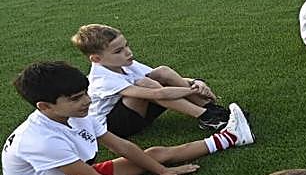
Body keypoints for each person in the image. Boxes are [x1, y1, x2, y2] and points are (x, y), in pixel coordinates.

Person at [1, 62, 252, 175]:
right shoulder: (40, 140)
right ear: (45, 107)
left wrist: (159, 170)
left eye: (86, 93)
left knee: (153, 154)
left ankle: (230, 137)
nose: (88, 101)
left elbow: (122, 146)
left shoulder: (76, 115)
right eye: (77, 98)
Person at [72, 23, 232, 136]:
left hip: (137, 110)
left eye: (127, 45)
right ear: (96, 59)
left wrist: (196, 82)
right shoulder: (102, 79)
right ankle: (206, 116)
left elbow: (164, 81)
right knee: (145, 87)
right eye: (119, 51)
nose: (128, 52)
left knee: (162, 72)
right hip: (113, 127)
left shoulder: (127, 63)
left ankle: (212, 110)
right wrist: (191, 89)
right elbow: (157, 94)